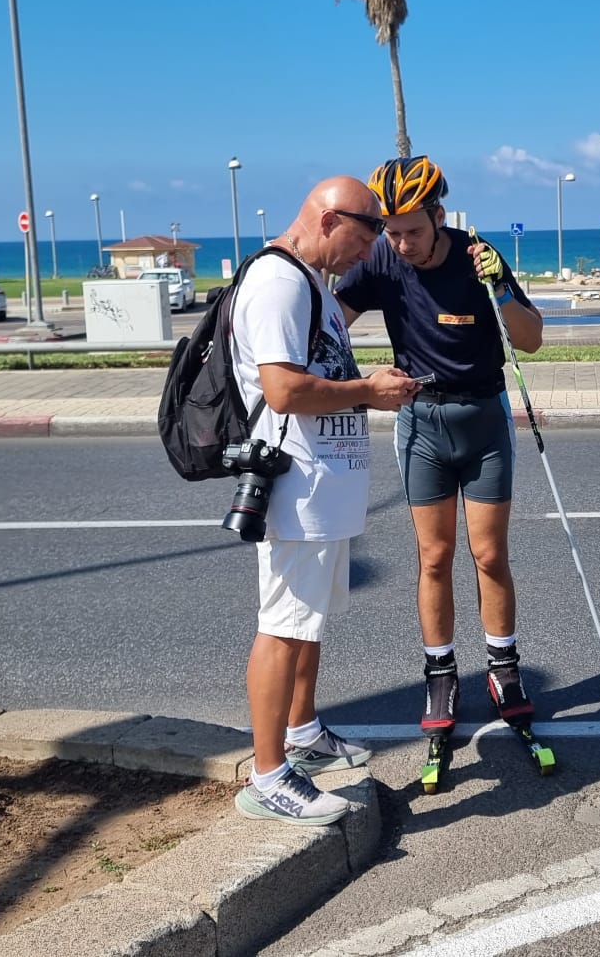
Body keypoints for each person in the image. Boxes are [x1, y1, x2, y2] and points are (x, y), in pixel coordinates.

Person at [230, 176, 420, 825]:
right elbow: (283, 391)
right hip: (295, 489)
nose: (367, 257)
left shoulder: (311, 281)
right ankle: (268, 775)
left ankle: (303, 733)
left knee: (306, 624)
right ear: (331, 219)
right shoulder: (280, 281)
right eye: (366, 240)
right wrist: (368, 392)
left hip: (322, 487)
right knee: (282, 627)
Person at [335, 155, 545, 739]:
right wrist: (352, 379)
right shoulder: (379, 257)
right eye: (392, 232)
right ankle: (441, 672)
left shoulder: (479, 256)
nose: (401, 245)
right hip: (421, 424)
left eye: (413, 232)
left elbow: (530, 341)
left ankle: (503, 669)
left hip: (483, 419)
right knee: (433, 557)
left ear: (439, 216)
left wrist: (500, 286)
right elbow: (330, 326)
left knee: (488, 555)